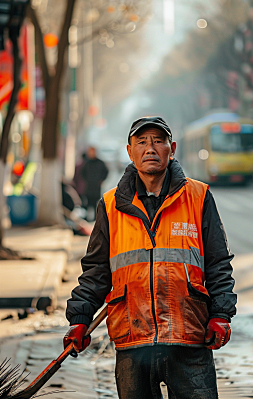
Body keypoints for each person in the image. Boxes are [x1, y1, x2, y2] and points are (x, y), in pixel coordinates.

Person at [64, 116, 237, 399]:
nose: (150, 148)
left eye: (158, 141)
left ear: (173, 148)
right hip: (133, 340)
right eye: (142, 142)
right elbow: (96, 270)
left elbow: (218, 263)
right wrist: (80, 317)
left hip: (188, 338)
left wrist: (221, 314)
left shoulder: (198, 196)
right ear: (129, 151)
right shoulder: (110, 206)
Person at [81, 146, 109, 221]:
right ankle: (87, 217)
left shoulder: (100, 163)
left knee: (96, 202)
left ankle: (95, 218)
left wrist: (101, 180)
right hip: (89, 186)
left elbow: (105, 172)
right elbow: (82, 173)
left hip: (96, 186)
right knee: (88, 202)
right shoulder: (87, 163)